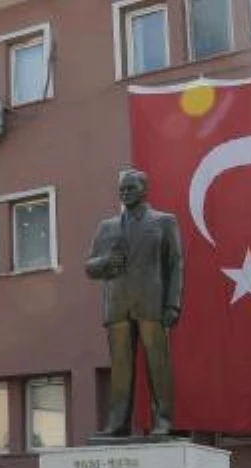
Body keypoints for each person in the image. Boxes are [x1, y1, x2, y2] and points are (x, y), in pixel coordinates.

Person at [86, 168, 184, 437]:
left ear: (144, 189)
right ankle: (118, 423)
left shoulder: (164, 222)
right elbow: (90, 266)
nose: (125, 192)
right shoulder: (107, 227)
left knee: (158, 365)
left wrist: (172, 304)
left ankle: (162, 420)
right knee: (120, 368)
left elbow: (175, 264)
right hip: (117, 305)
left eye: (131, 188)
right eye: (122, 188)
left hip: (152, 303)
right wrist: (105, 263)